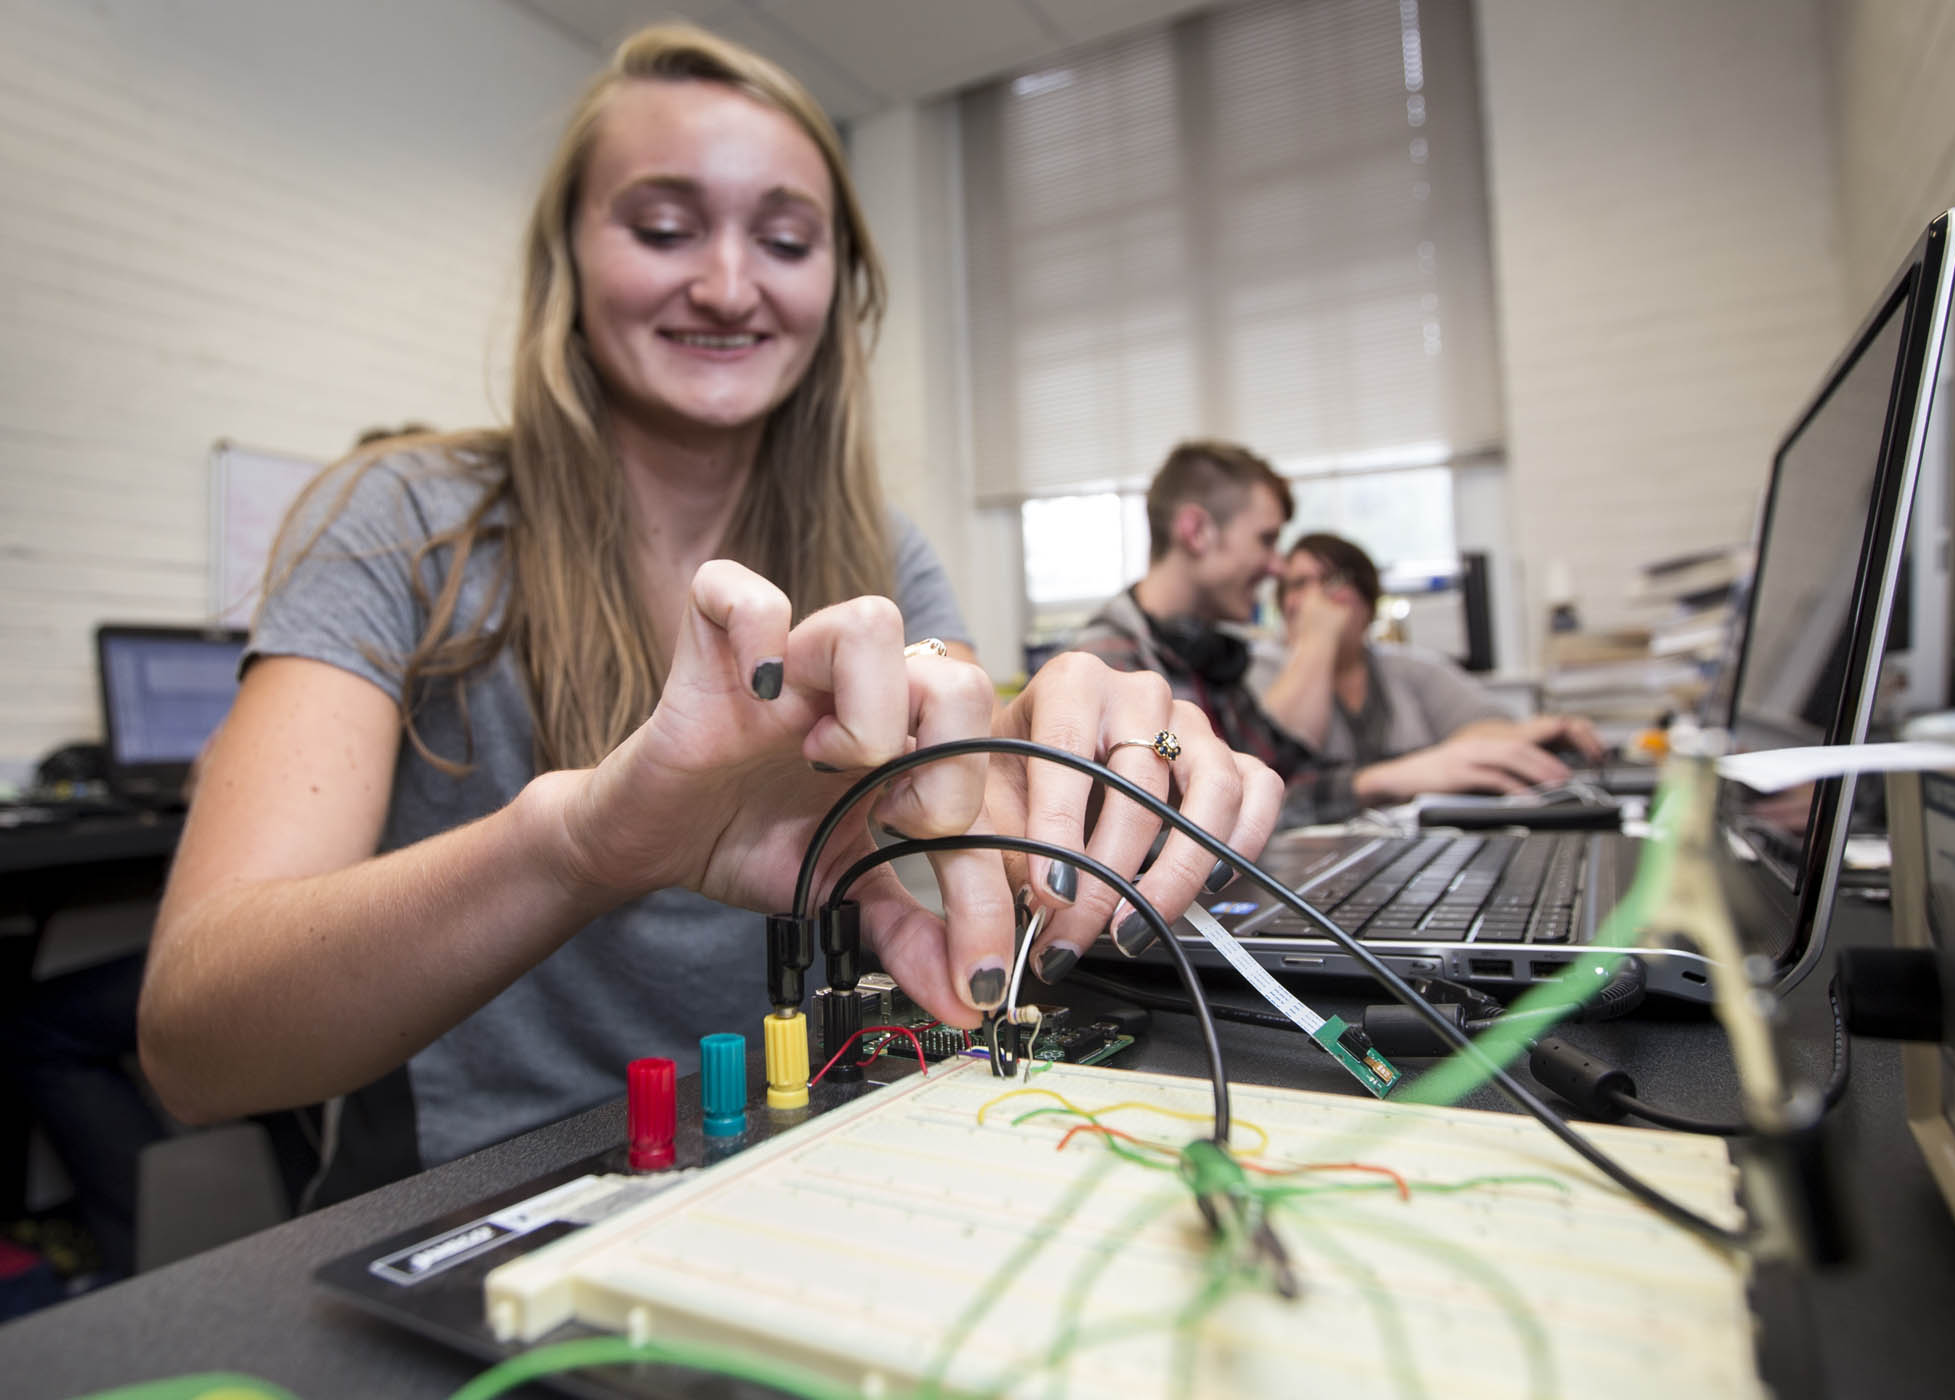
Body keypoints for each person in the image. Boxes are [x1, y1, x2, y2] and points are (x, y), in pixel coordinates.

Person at [137, 25, 1280, 1205]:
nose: (729, 285)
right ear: (567, 259)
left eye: (784, 240)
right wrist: (579, 843)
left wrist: (1052, 769)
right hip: (468, 1207)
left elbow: (971, 802)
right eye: (664, 227)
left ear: (839, 285)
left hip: (802, 1171)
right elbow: (193, 1042)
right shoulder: (399, 522)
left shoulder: (885, 554)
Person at [1066, 441, 1581, 841]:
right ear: (1197, 531)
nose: (1277, 566)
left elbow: (1279, 777)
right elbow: (1203, 813)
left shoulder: (1208, 657)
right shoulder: (1110, 666)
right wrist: (1380, 781)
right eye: (1267, 540)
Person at [1252, 531, 1605, 772]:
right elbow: (1279, 756)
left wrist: (1547, 729)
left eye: (1333, 582)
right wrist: (1318, 639)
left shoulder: (1410, 668)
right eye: (1298, 584)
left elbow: (1485, 730)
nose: (1316, 600)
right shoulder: (1259, 669)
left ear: (1368, 599)